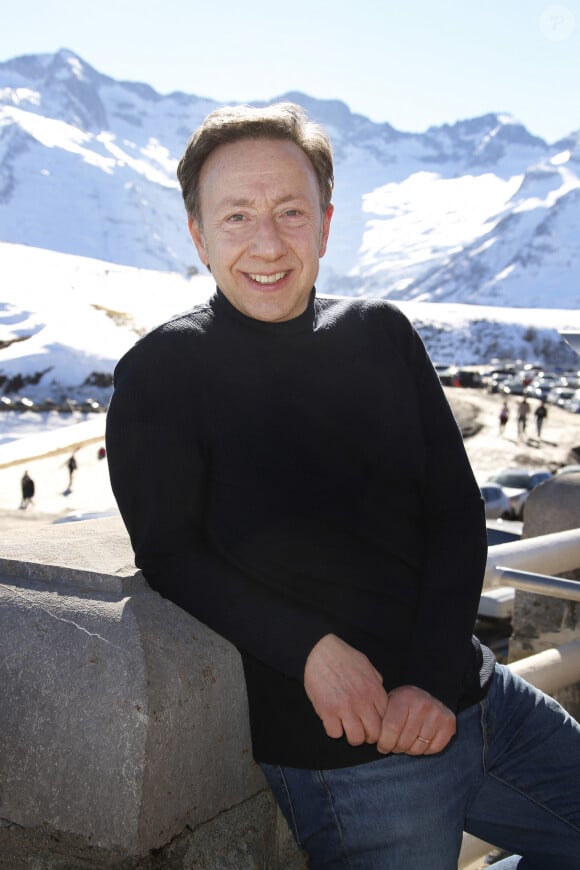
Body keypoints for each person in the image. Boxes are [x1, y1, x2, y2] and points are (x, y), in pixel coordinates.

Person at [106, 103, 580, 869]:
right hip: (355, 757)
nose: (268, 242)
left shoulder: (382, 332)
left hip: (485, 701)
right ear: (198, 235)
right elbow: (172, 552)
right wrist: (312, 652)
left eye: (291, 212)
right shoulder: (163, 373)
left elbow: (456, 513)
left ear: (325, 225)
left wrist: (429, 677)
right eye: (237, 217)